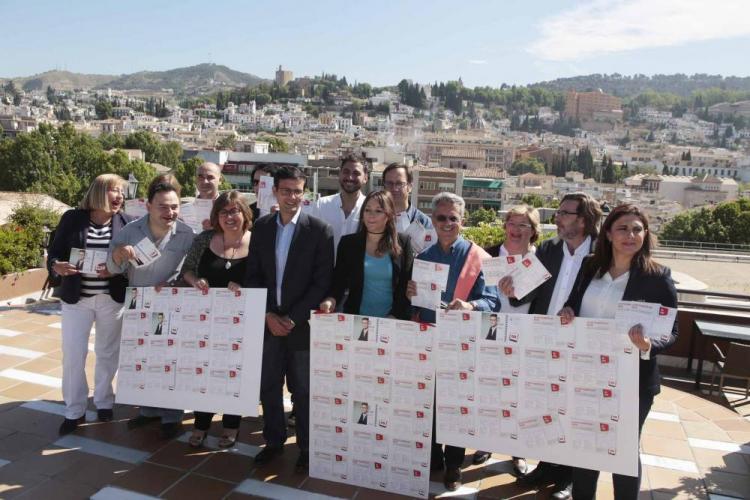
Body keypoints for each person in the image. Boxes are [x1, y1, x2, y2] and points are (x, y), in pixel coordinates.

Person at [559, 203, 678, 500]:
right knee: (586, 445)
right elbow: (573, 302)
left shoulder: (657, 276)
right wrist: (568, 311)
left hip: (633, 380)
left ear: (645, 234)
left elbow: (672, 331)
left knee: (623, 451)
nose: (630, 235)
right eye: (623, 228)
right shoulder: (589, 266)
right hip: (587, 372)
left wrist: (648, 344)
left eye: (637, 229)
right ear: (609, 234)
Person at [509, 193, 602, 500]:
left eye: (564, 213)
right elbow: (527, 290)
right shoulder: (549, 248)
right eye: (559, 212)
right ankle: (546, 466)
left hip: (583, 347)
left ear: (584, 219)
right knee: (547, 408)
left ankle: (569, 478)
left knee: (575, 413)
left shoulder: (604, 251)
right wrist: (512, 289)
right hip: (545, 342)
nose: (558, 218)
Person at [406, 192, 500, 492]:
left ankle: (454, 465)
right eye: (441, 218)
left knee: (458, 406)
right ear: (433, 220)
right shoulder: (422, 258)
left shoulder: (481, 258)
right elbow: (414, 306)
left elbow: (493, 301)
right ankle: (434, 456)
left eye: (453, 218)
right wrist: (410, 294)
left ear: (463, 221)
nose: (447, 223)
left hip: (463, 344)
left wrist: (471, 307)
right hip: (429, 341)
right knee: (430, 402)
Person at [244, 166, 334, 471]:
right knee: (268, 386)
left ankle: (307, 450)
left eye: (297, 191)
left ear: (304, 193)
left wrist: (292, 320)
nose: (292, 197)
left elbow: (322, 283)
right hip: (268, 324)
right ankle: (273, 442)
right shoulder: (263, 227)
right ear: (275, 192)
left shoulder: (319, 231)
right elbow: (253, 275)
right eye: (286, 191)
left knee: (304, 392)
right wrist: (269, 314)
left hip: (302, 327)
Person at [107, 176, 196, 439]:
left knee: (170, 360)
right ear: (148, 206)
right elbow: (112, 268)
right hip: (138, 304)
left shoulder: (186, 234)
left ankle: (171, 416)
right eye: (163, 207)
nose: (170, 212)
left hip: (170, 305)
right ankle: (148, 410)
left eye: (174, 207)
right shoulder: (130, 231)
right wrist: (119, 255)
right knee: (142, 359)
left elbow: (191, 270)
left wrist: (179, 282)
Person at [48, 174, 135, 435]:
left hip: (112, 298)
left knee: (108, 353)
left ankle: (104, 401)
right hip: (78, 299)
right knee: (74, 355)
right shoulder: (72, 218)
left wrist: (119, 268)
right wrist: (56, 266)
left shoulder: (127, 223)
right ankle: (74, 410)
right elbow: (54, 253)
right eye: (114, 191)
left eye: (122, 191)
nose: (120, 196)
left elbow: (134, 261)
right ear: (98, 192)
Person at [180, 190, 253, 448]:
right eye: (224, 212)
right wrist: (194, 280)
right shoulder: (205, 239)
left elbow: (264, 278)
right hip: (205, 323)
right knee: (205, 373)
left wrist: (244, 287)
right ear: (216, 216)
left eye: (235, 211)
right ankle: (201, 424)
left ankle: (231, 425)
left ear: (245, 214)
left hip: (242, 324)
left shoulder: (257, 243)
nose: (230, 216)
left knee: (234, 374)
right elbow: (186, 269)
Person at [472, 205, 542, 466]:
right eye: (511, 223)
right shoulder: (486, 255)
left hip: (526, 339)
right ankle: (486, 443)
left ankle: (518, 450)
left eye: (523, 225)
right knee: (489, 393)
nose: (515, 229)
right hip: (488, 336)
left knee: (520, 397)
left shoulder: (541, 261)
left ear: (533, 231)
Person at [319, 190, 414, 320]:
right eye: (367, 210)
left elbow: (405, 285)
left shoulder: (403, 242)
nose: (371, 216)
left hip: (392, 321)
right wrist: (331, 299)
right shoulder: (348, 243)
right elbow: (338, 282)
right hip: (356, 321)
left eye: (378, 211)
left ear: (389, 215)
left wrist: (395, 315)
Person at [313, 153, 369, 256]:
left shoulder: (370, 209)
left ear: (365, 178)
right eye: (346, 172)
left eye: (356, 173)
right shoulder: (322, 205)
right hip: (325, 270)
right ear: (340, 174)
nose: (350, 177)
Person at [382, 163, 433, 252]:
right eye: (389, 183)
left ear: (410, 187)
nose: (394, 188)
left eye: (399, 183)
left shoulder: (425, 223)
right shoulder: (374, 218)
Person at [195, 162, 223, 230]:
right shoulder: (184, 210)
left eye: (210, 177)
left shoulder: (228, 209)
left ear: (220, 180)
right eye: (200, 177)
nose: (205, 181)